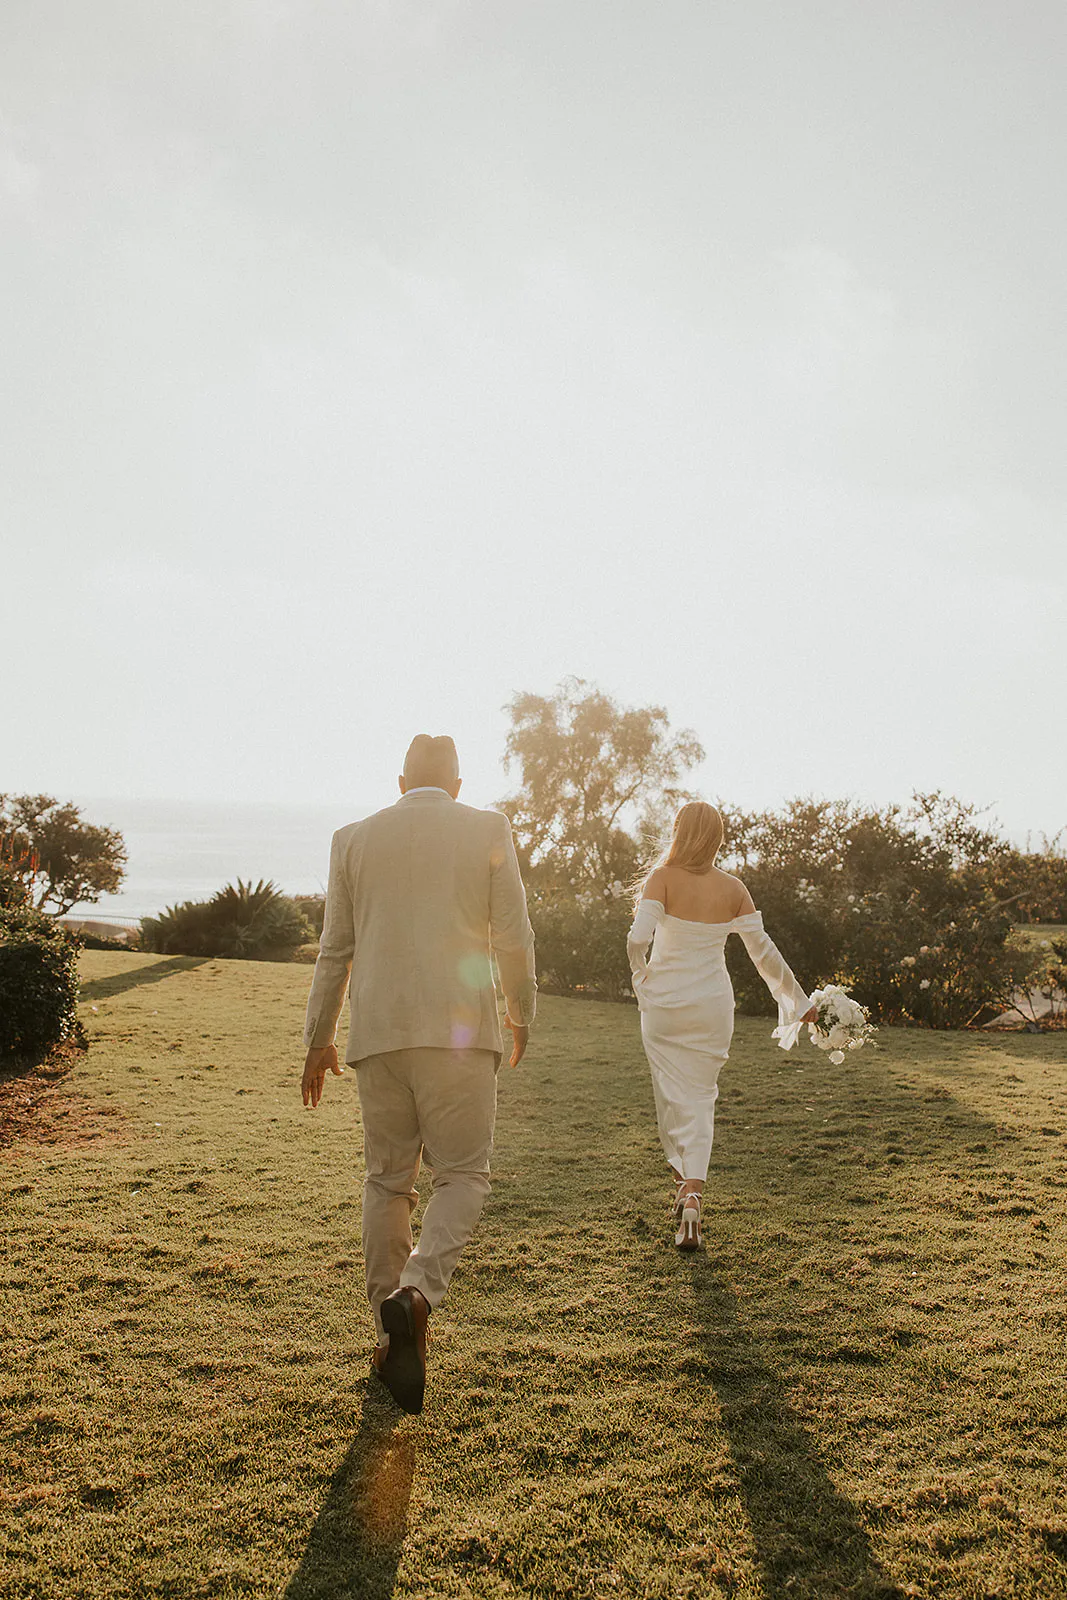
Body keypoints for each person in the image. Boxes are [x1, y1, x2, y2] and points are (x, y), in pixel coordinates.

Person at [300, 734, 536, 1413]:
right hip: (462, 1033)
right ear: (457, 785)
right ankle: (418, 1294)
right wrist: (520, 1010)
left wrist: (319, 1040)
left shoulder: (352, 838)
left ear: (401, 781)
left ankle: (388, 1338)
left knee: (387, 1180)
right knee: (462, 1174)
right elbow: (513, 934)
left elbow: (334, 950)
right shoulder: (486, 826)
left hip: (377, 1034)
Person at [627, 801, 815, 1252]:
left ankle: (684, 1186)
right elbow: (763, 953)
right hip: (712, 1006)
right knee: (701, 1097)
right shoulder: (734, 888)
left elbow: (637, 939)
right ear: (717, 839)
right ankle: (692, 1193)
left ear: (678, 832)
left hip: (666, 1005)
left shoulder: (662, 878)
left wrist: (642, 979)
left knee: (672, 1095)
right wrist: (799, 1001)